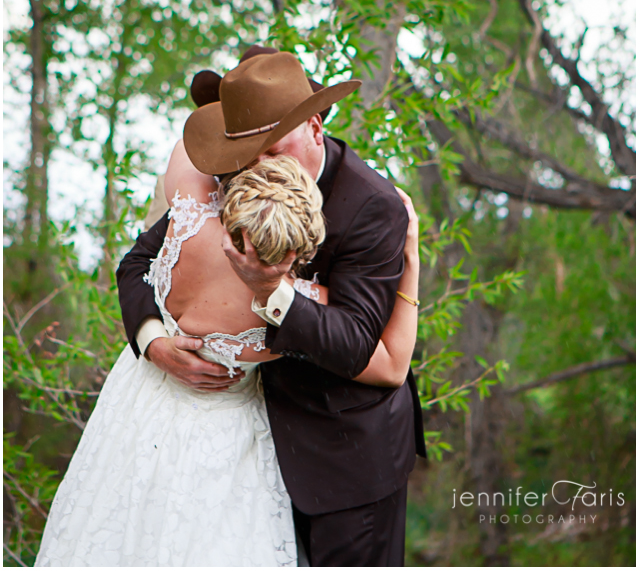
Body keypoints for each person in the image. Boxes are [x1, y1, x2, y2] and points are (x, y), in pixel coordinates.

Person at [117, 50, 427, 566]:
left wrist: (271, 290)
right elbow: (140, 263)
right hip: (244, 452)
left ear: (313, 125)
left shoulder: (374, 208)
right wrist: (154, 342)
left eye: (273, 149)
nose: (259, 169)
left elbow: (356, 343)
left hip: (345, 457)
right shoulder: (233, 174)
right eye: (248, 154)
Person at [35, 158, 419, 564]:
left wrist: (152, 338)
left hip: (135, 410)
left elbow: (139, 253)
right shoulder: (297, 306)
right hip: (224, 447)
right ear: (295, 250)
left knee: (108, 529)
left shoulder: (188, 222)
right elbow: (391, 364)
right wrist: (409, 262)